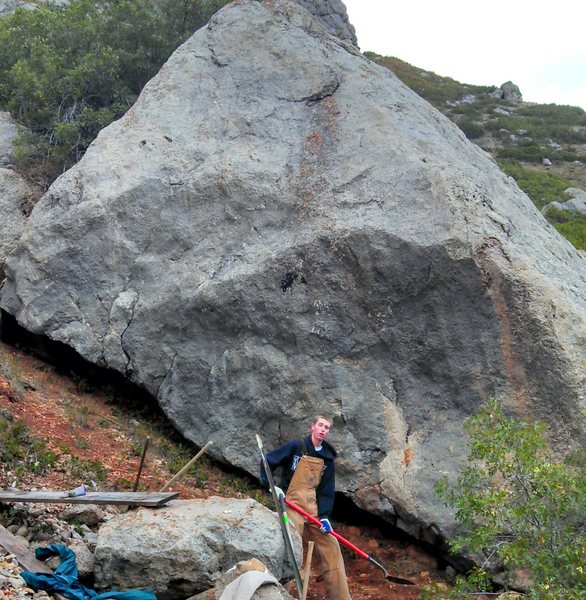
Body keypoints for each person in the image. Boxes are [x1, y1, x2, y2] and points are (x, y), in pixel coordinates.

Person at [260, 415, 352, 600]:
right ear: (312, 426)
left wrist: (324, 516)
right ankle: (279, 593)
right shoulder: (297, 446)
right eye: (320, 425)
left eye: (326, 427)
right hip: (291, 504)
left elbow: (326, 491)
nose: (323, 429)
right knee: (291, 542)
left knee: (332, 546)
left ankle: (341, 597)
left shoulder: (327, 459)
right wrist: (271, 486)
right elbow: (267, 461)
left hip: (313, 509)